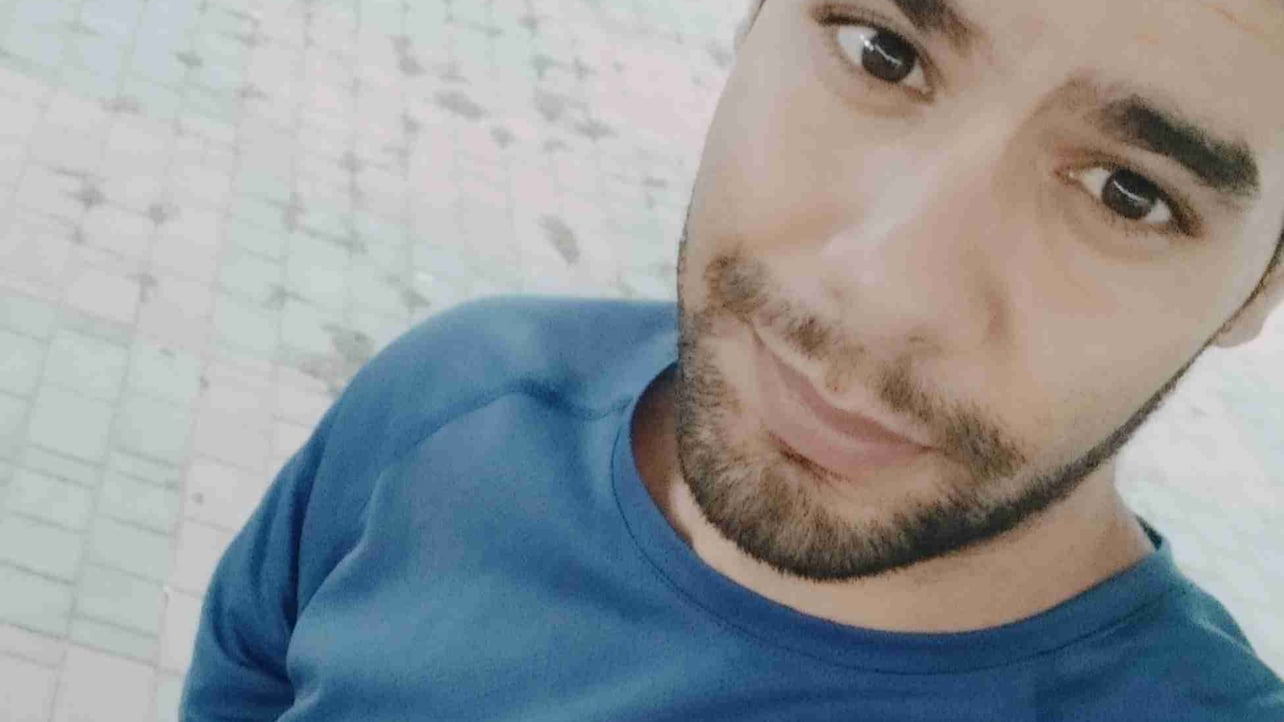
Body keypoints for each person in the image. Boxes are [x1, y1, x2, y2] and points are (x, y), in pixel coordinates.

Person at [181, 0, 1284, 719]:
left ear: (1259, 285)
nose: (886, 291)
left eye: (1129, 193)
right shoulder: (450, 407)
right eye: (883, 52)